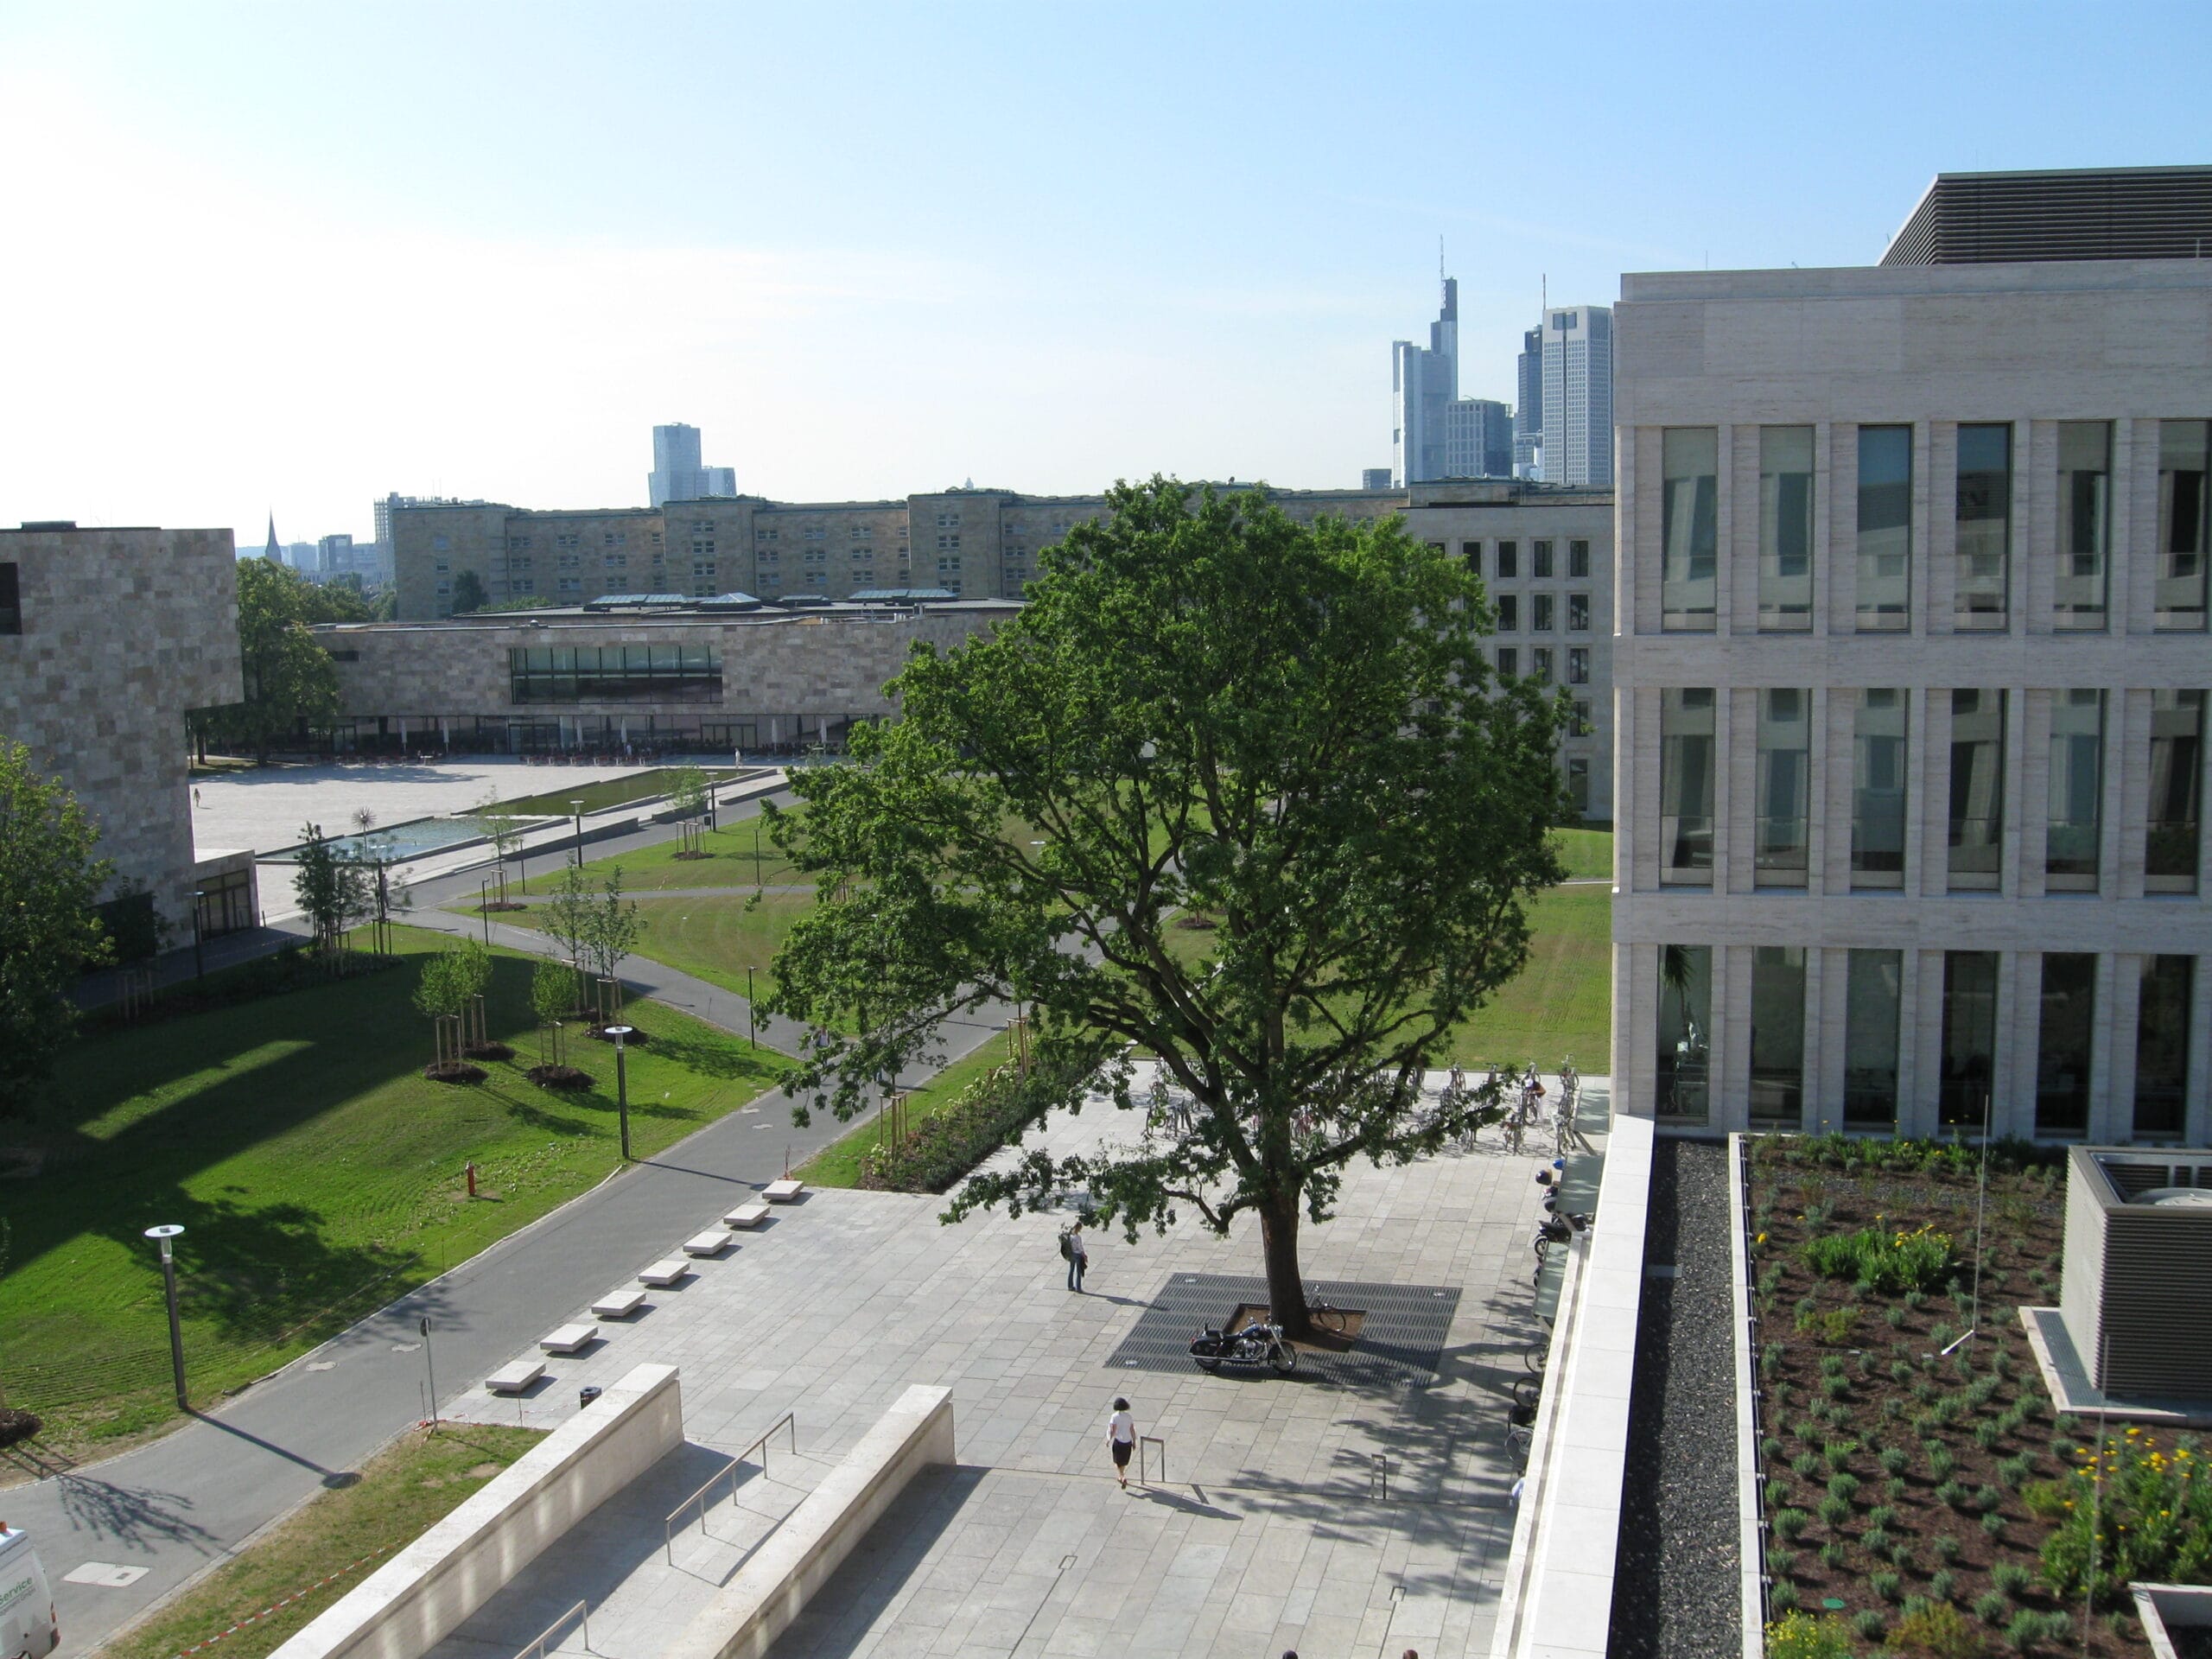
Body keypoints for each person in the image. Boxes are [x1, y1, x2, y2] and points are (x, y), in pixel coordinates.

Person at [1107, 1395, 1135, 1488]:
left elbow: (1113, 1430)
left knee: (1116, 1461)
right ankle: (1121, 1475)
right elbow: (1132, 1429)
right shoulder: (1129, 1417)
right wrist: (1134, 1441)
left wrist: (1108, 1440)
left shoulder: (1114, 1417)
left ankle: (1122, 1476)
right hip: (1128, 1441)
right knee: (1124, 1461)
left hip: (1119, 1441)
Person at [1060, 1221, 1088, 1292]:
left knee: (1071, 1270)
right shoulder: (1078, 1237)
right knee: (1079, 1272)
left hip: (1071, 1254)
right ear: (1079, 1228)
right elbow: (1080, 1247)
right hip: (1078, 1255)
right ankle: (1078, 1288)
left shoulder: (1070, 1236)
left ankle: (1070, 1286)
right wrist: (1084, 1256)